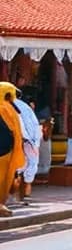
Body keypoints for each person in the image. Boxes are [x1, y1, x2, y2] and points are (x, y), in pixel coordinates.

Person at [11, 88, 41, 205]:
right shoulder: (26, 107)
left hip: (18, 139)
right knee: (26, 166)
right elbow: (34, 124)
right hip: (27, 140)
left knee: (15, 169)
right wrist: (34, 142)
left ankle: (14, 196)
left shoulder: (10, 105)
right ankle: (23, 193)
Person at [0, 83, 24, 217]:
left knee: (5, 180)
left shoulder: (10, 109)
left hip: (7, 152)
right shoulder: (5, 109)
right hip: (3, 152)